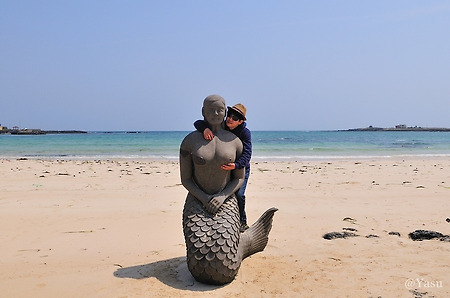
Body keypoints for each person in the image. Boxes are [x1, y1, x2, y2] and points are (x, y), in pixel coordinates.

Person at [180, 95, 245, 215]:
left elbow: (239, 177)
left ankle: (242, 222)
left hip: (227, 202)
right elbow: (185, 179)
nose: (215, 113)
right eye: (210, 110)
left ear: (225, 112)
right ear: (203, 112)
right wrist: (203, 198)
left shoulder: (236, 141)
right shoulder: (189, 141)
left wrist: (223, 196)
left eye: (219, 110)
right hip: (196, 202)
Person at [194, 103, 252, 232]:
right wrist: (205, 129)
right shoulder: (222, 126)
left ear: (240, 121)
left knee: (239, 194)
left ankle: (243, 222)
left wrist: (236, 165)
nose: (230, 119)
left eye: (235, 118)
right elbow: (197, 122)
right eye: (229, 116)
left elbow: (247, 154)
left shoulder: (244, 133)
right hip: (224, 166)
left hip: (240, 168)